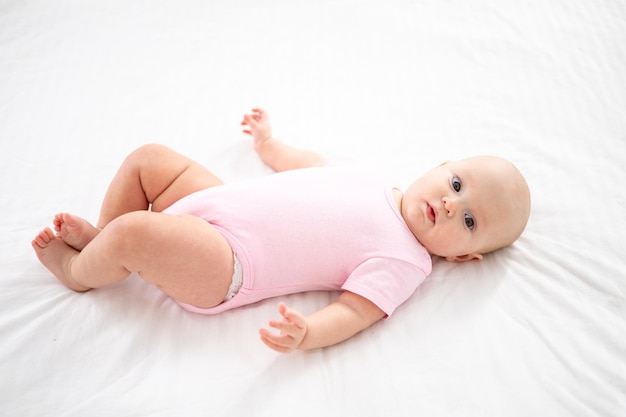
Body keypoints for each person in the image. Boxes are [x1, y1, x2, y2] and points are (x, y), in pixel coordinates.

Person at [31, 108, 531, 353]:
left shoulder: (407, 261)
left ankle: (81, 269)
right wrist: (270, 144)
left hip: (228, 261)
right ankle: (101, 240)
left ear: (465, 257)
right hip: (218, 201)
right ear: (440, 165)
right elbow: (307, 165)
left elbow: (356, 311)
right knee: (148, 159)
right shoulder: (374, 177)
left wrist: (309, 333)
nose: (449, 203)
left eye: (469, 220)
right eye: (457, 183)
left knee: (137, 233)